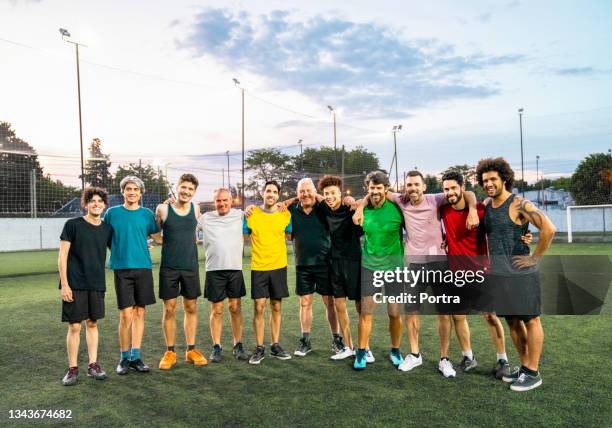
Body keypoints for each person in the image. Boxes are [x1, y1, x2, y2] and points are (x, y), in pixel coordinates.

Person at [354, 170, 479, 378]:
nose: (412, 188)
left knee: (442, 313)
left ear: (424, 186)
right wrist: (359, 206)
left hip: (439, 263)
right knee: (412, 311)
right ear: (404, 188)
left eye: (416, 185)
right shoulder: (400, 201)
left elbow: (469, 194)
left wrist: (473, 209)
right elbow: (373, 192)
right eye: (409, 185)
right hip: (413, 265)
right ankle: (414, 354)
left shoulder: (436, 199)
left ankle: (444, 359)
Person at [440, 171, 530, 379]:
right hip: (456, 273)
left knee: (490, 316)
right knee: (458, 316)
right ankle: (468, 357)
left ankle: (502, 360)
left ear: (462, 188)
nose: (450, 192)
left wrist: (525, 236)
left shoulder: (480, 210)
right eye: (446, 189)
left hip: (482, 272)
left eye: (454, 188)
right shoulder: (443, 209)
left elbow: (504, 225)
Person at [477, 157, 556, 391]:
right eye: (485, 180)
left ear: (504, 179)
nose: (489, 183)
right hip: (500, 274)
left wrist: (534, 258)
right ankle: (523, 367)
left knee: (531, 320)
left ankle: (533, 372)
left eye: (493, 179)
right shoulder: (487, 204)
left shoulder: (519, 203)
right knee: (512, 321)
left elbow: (549, 230)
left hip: (522, 273)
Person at [103, 176, 161, 375]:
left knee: (139, 312)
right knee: (126, 314)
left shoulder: (147, 214)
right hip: (122, 269)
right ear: (123, 191)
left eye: (136, 189)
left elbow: (157, 238)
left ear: (141, 193)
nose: (132, 192)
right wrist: (119, 251)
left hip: (143, 267)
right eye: (128, 189)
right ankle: (123, 357)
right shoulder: (112, 213)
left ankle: (136, 356)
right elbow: (106, 239)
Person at [280, 178, 343, 358]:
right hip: (303, 265)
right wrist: (292, 200)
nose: (305, 194)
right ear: (297, 194)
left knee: (329, 302)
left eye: (309, 191)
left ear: (315, 192)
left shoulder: (323, 207)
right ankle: (305, 340)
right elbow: (280, 206)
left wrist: (315, 196)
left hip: (325, 263)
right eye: (302, 191)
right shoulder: (292, 209)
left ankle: (336, 339)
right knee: (305, 302)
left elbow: (330, 204)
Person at [58, 187, 112, 386]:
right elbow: (62, 255)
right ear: (86, 204)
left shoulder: (107, 228)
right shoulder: (73, 225)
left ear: (105, 205)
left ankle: (93, 365)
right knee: (74, 326)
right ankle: (72, 369)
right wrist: (64, 284)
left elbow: (118, 247)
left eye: (100, 201)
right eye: (92, 201)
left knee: (92, 323)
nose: (96, 204)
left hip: (96, 283)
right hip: (75, 284)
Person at [352, 171, 405, 370]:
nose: (375, 191)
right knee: (366, 312)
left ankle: (395, 350)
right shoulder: (362, 210)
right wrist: (359, 206)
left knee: (394, 313)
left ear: (386, 189)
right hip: (370, 267)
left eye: (378, 188)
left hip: (394, 267)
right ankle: (361, 351)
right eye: (371, 188)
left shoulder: (397, 209)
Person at [157, 174, 207, 370]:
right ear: (177, 187)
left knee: (191, 307)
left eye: (191, 189)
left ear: (194, 192)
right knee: (169, 309)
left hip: (190, 266)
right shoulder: (163, 209)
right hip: (169, 266)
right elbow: (155, 233)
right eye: (183, 187)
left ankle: (191, 350)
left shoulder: (196, 209)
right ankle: (170, 351)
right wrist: (167, 243)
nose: (186, 192)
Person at [243, 180, 293, 364]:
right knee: (259, 306)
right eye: (268, 191)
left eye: (274, 192)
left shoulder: (285, 214)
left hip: (279, 265)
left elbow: (290, 236)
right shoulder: (251, 214)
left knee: (276, 306)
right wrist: (244, 211)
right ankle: (259, 347)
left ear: (278, 195)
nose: (270, 194)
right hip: (259, 266)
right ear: (262, 193)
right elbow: (243, 236)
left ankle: (275, 345)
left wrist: (289, 205)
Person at [198, 188, 250, 363]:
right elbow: (185, 218)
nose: (222, 204)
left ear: (231, 201)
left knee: (235, 308)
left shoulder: (240, 215)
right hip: (213, 270)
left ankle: (238, 345)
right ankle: (217, 347)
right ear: (214, 202)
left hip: (234, 269)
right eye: (218, 201)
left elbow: (257, 212)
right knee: (217, 310)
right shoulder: (205, 218)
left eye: (225, 200)